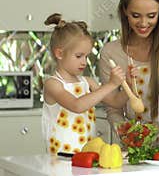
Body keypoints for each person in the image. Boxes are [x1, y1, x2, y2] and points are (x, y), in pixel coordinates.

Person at [42, 13, 126, 155]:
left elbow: (115, 102)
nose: (84, 61)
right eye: (79, 56)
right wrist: (111, 84)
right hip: (60, 157)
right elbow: (77, 105)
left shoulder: (88, 82)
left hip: (88, 155)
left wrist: (130, 82)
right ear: (60, 54)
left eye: (86, 56)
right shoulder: (53, 84)